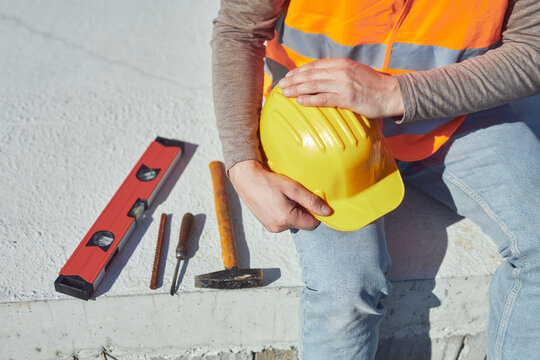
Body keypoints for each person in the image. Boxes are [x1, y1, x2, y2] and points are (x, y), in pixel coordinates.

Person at [211, 0, 540, 358]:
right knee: (344, 291)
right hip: (317, 132)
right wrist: (243, 166)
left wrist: (398, 94)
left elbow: (533, 46)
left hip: (452, 110)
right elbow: (239, 28)